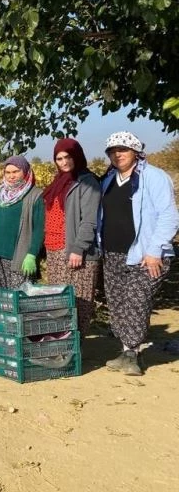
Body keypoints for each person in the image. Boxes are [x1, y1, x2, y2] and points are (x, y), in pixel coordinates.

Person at [98, 132, 179, 376]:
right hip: (113, 253)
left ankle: (132, 353)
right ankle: (126, 351)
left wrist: (155, 251)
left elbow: (168, 215)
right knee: (118, 304)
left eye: (122, 149)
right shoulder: (109, 179)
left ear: (136, 152)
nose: (117, 154)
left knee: (136, 301)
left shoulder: (153, 177)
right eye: (112, 151)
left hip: (145, 254)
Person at [42, 139, 101, 338]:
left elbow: (89, 219)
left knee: (78, 303)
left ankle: (76, 346)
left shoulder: (87, 182)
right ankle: (62, 345)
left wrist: (78, 248)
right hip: (55, 250)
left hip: (75, 252)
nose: (64, 162)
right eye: (59, 158)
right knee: (59, 304)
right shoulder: (58, 182)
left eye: (68, 157)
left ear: (77, 156)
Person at [0, 156, 44, 288]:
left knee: (17, 300)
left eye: (15, 172)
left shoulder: (35, 195)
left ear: (25, 171)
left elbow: (39, 228)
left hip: (19, 257)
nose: (11, 176)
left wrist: (32, 254)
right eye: (8, 172)